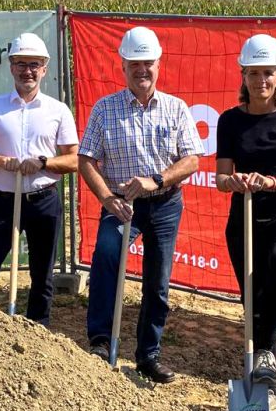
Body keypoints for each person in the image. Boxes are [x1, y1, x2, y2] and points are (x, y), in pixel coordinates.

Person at [77, 26, 203, 383]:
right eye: (135, 64)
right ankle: (100, 341)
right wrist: (106, 197)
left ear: (158, 65)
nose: (141, 70)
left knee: (158, 280)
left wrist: (157, 180)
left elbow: (192, 159)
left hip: (164, 204)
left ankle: (149, 354)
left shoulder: (176, 109)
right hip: (121, 205)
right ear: (123, 67)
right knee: (106, 259)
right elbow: (86, 159)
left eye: (147, 63)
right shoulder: (105, 109)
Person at [215, 34, 276, 393]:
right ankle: (255, 362)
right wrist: (234, 181)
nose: (261, 81)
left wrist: (270, 182)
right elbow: (221, 177)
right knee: (251, 294)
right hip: (243, 219)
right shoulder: (230, 121)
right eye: (254, 73)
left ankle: (267, 352)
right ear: (243, 76)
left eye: (268, 72)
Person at [0, 33, 79, 324]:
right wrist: (1, 161)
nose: (27, 70)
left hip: (44, 201)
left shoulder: (58, 110)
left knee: (43, 274)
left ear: (44, 68)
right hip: (4, 202)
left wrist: (43, 162)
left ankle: (37, 333)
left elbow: (74, 159)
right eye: (20, 64)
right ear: (11, 67)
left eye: (34, 64)